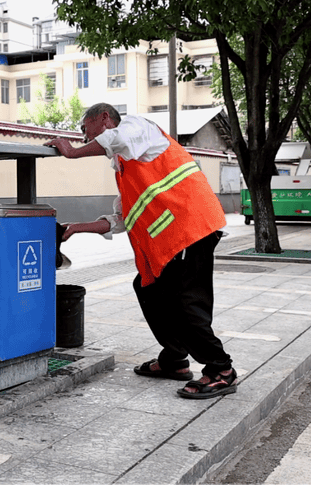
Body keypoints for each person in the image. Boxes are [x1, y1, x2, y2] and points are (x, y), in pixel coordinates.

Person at [45, 104, 238, 399]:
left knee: (185, 301)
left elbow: (116, 139)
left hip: (191, 227)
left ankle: (220, 369)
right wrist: (75, 228)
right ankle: (174, 359)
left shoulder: (138, 128)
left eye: (85, 129)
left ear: (104, 118)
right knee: (148, 289)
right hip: (173, 240)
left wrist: (70, 153)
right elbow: (121, 220)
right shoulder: (126, 167)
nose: (83, 137)